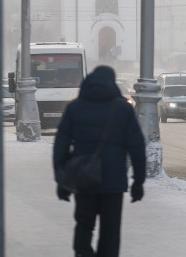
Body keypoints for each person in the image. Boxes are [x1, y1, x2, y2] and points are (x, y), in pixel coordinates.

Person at [53, 66, 146, 257]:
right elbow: (136, 147)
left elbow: (60, 146)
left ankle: (83, 253)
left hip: (84, 180)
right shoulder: (123, 109)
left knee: (84, 225)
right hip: (113, 184)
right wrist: (138, 181)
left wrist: (62, 180)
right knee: (110, 233)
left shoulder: (74, 108)